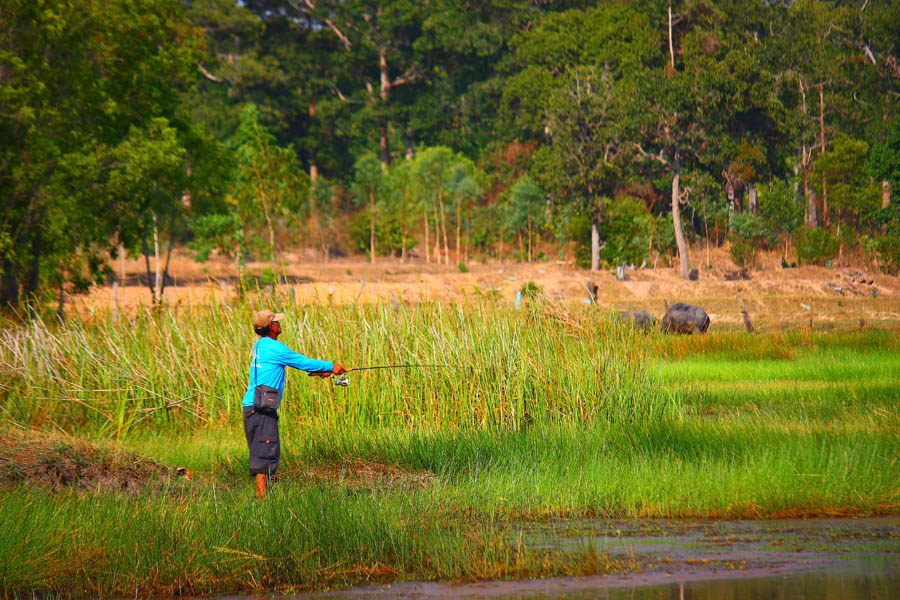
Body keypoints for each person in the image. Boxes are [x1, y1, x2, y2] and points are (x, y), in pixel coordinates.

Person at [243, 309, 347, 498]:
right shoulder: (275, 348)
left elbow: (283, 365)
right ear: (271, 327)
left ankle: (263, 496)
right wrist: (332, 367)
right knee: (265, 452)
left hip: (251, 407)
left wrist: (318, 371)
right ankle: (262, 499)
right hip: (261, 410)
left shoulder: (261, 345)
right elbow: (302, 362)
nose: (280, 324)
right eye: (276, 322)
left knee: (262, 450)